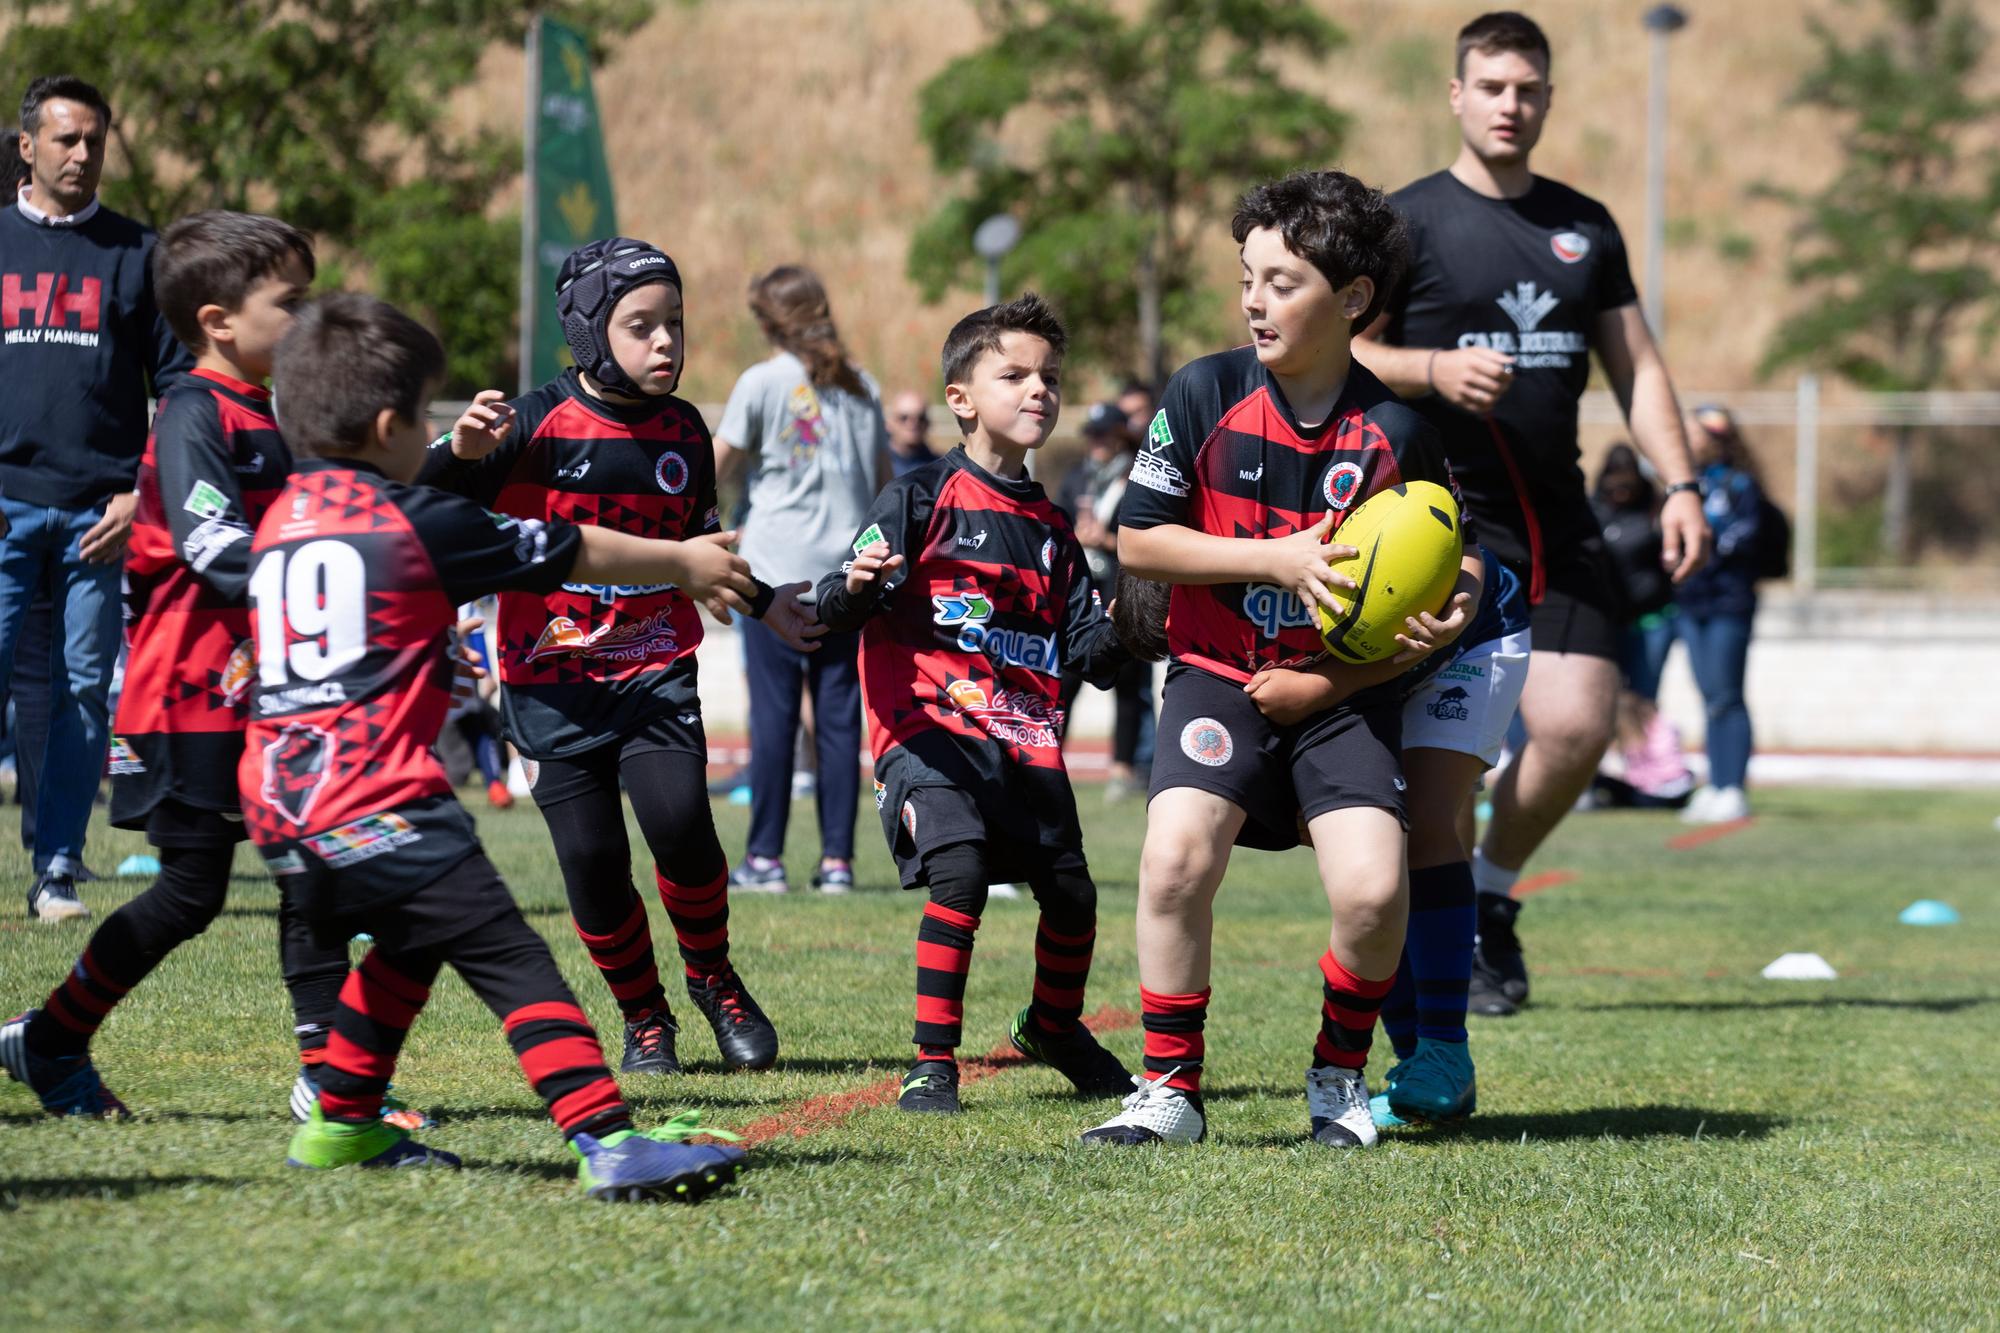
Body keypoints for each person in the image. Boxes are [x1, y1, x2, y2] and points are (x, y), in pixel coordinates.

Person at [232, 292, 750, 1197]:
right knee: (515, 960)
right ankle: (608, 1139)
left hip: (282, 806)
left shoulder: (282, 519)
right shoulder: (410, 519)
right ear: (392, 426)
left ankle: (341, 1124)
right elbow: (571, 550)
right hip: (382, 799)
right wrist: (682, 561)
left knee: (406, 950)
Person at [1083, 170, 1480, 1150]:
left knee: (1371, 888)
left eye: (1281, 281)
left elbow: (1453, 557)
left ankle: (1336, 1080)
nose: (1255, 300)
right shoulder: (1204, 390)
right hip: (1215, 675)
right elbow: (1138, 540)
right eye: (1246, 277)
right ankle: (1169, 1089)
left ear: (1349, 300)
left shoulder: (1396, 433)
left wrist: (1447, 612)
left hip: (1335, 697)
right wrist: (1274, 559)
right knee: (1174, 858)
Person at [2, 212, 422, 1129]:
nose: (308, 319)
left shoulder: (275, 410)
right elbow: (214, 545)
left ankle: (326, 1071)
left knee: (312, 867)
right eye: (292, 302)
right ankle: (54, 1039)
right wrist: (330, 566)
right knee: (191, 893)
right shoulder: (194, 411)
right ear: (219, 320)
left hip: (261, 696)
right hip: (191, 698)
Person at [1352, 12, 1710, 1016]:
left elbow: (1636, 370)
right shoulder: (1404, 223)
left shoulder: (1583, 224)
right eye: (1492, 86)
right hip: (1436, 526)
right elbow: (1334, 353)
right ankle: (1435, 940)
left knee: (1576, 726)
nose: (1510, 104)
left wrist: (1678, 483)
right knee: (1441, 759)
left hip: (1556, 517)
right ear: (1455, 95)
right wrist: (1430, 367)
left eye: (1528, 88)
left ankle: (1489, 905)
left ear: (1546, 98)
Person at [422, 238, 819, 1076]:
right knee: (594, 864)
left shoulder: (684, 431)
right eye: (642, 326)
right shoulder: (529, 424)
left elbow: (697, 551)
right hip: (549, 683)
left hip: (653, 669)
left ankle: (715, 978)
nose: (667, 342)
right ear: (589, 331)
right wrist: (457, 454)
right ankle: (645, 1018)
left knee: (682, 828)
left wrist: (763, 601)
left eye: (675, 323)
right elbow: (422, 510)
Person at [813, 293, 1137, 1115]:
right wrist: (852, 586)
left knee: (1072, 896)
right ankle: (932, 1062)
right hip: (926, 736)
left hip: (1026, 745)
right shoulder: (920, 499)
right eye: (1016, 374)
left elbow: (1090, 655)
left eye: (1051, 377)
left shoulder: (1056, 532)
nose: (1040, 391)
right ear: (960, 397)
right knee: (956, 872)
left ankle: (1055, 1026)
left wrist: (1148, 614)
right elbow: (833, 601)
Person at [1, 75, 193, 919]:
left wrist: (141, 492)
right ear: (27, 146)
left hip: (98, 516)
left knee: (83, 689)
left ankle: (57, 868)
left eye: (95, 142)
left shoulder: (138, 252)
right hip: (4, 504)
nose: (83, 155)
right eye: (67, 139)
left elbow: (184, 383)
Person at [715, 265, 888, 895]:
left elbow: (713, 463)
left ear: (767, 322)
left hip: (772, 575)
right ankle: (838, 863)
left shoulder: (761, 381)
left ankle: (765, 860)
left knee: (775, 719)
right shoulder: (861, 385)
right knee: (841, 723)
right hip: (844, 576)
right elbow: (883, 482)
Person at [1054, 402, 1153, 801]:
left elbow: (1151, 539)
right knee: (1064, 683)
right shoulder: (1077, 476)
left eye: (1103, 433)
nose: (1096, 442)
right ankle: (1049, 760)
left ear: (1118, 435)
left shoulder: (1136, 477)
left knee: (1127, 688)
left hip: (1119, 591)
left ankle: (1122, 770)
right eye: (1091, 434)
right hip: (1079, 596)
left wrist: (1106, 541)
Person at [1675, 405, 1767, 824]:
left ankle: (1733, 787)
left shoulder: (1741, 485)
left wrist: (1707, 548)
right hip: (1692, 601)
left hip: (1728, 603)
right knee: (1710, 697)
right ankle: (1715, 785)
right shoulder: (1684, 485)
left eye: (1696, 434)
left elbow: (1746, 534)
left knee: (1727, 695)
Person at [1591, 444, 1674, 702]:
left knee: (1643, 694)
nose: (1621, 491)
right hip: (1607, 618)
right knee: (1603, 695)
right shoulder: (1593, 511)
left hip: (1650, 618)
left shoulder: (1654, 511)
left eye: (1627, 485)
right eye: (1614, 485)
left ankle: (1643, 743)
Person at [885, 390, 938, 479]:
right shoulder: (877, 466)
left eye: (920, 418)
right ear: (889, 423)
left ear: (927, 423)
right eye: (904, 418)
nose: (913, 424)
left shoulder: (941, 468)